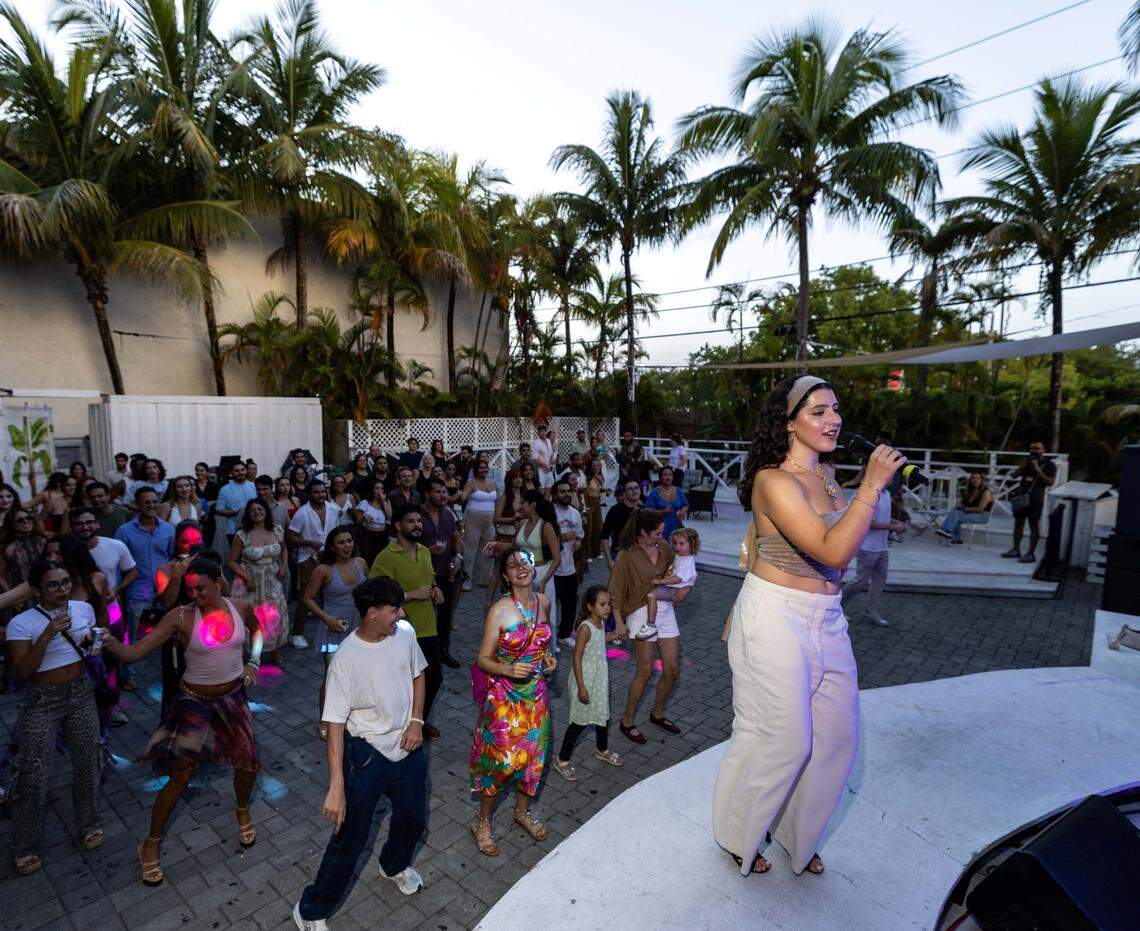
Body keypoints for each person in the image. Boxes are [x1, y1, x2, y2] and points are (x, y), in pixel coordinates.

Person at [713, 374, 906, 877]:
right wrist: (871, 485)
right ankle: (739, 834)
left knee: (838, 737)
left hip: (828, 618)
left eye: (835, 409)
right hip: (776, 614)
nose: (833, 419)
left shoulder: (827, 480)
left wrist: (861, 494)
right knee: (782, 738)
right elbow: (833, 550)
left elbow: (777, 540)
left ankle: (797, 836)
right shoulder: (773, 480)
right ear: (789, 422)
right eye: (817, 410)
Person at [101, 558, 262, 885]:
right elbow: (134, 654)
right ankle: (151, 843)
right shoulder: (181, 616)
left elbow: (258, 630)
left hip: (233, 697)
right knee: (180, 776)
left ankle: (242, 810)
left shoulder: (241, 606)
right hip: (194, 703)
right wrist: (108, 640)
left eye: (199, 588)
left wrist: (254, 662)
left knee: (247, 764)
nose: (193, 594)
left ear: (219, 582)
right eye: (189, 589)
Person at [293, 577, 428, 930]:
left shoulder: (405, 633)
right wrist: (337, 786)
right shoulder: (346, 660)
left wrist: (416, 721)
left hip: (409, 750)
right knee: (349, 838)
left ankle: (393, 865)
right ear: (371, 613)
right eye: (394, 609)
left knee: (413, 819)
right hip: (367, 756)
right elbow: (334, 726)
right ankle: (310, 910)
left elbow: (419, 675)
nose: (401, 613)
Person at [7, 561, 104, 875]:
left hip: (79, 693)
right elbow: (23, 671)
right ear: (37, 589)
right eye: (53, 585)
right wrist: (48, 634)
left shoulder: (83, 608)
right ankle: (25, 846)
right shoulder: (22, 623)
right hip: (42, 700)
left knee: (88, 761)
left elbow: (91, 649)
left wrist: (93, 645)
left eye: (65, 582)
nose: (61, 590)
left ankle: (88, 823)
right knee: (32, 773)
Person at [468, 547, 556, 856]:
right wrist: (508, 668)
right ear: (505, 575)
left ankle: (521, 813)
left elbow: (543, 642)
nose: (520, 568)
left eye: (524, 562)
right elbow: (482, 659)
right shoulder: (500, 610)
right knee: (500, 762)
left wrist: (548, 658)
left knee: (532, 758)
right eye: (512, 565)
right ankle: (482, 821)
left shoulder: (543, 601)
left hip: (536, 695)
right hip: (504, 698)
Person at [609, 510, 686, 741]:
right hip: (640, 612)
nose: (661, 537)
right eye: (658, 533)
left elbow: (682, 573)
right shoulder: (627, 554)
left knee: (672, 670)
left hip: (664, 609)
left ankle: (657, 714)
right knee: (645, 670)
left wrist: (685, 589)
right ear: (643, 532)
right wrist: (619, 622)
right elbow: (615, 590)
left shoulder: (664, 549)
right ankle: (627, 721)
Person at [369, 505, 444, 740]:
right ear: (398, 526)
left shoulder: (424, 551)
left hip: (427, 626)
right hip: (399, 630)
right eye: (410, 521)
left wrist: (436, 590)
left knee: (434, 678)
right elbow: (375, 595)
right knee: (405, 683)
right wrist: (410, 594)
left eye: (419, 521)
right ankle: (402, 725)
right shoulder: (386, 556)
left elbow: (429, 580)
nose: (417, 525)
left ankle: (418, 721)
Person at [552, 585, 627, 781]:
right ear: (590, 606)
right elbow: (576, 658)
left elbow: (600, 640)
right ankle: (562, 760)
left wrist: (615, 635)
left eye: (609, 604)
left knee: (603, 715)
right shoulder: (585, 627)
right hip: (584, 679)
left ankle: (602, 750)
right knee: (579, 721)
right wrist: (582, 687)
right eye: (602, 604)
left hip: (599, 679)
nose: (607, 608)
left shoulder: (600, 623)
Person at [302, 527, 367, 739]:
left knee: (358, 673)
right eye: (341, 542)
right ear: (332, 546)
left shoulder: (360, 564)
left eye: (349, 541)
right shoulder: (323, 570)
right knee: (332, 675)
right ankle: (324, 718)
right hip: (333, 628)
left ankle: (353, 715)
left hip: (358, 626)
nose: (347, 545)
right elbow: (308, 599)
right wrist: (326, 618)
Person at [114, 487, 175, 689]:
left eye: (154, 501)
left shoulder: (168, 529)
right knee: (133, 635)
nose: (151, 505)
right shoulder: (124, 531)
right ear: (138, 505)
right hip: (138, 591)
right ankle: (128, 675)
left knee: (170, 633)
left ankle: (172, 671)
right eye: (146, 502)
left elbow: (172, 557)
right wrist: (118, 592)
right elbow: (118, 564)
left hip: (164, 590)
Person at [229, 499, 289, 661]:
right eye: (253, 510)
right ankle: (253, 654)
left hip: (271, 579)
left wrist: (283, 566)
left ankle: (274, 649)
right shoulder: (241, 535)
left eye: (260, 509)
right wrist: (246, 577)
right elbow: (232, 561)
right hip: (249, 581)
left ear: (266, 512)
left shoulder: (277, 531)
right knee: (253, 617)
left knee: (274, 615)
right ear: (248, 514)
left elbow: (284, 550)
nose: (257, 512)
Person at [287, 479, 342, 650]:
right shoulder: (302, 513)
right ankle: (296, 634)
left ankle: (333, 626)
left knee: (332, 595)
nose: (320, 495)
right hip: (308, 558)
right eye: (316, 492)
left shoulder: (333, 509)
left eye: (322, 492)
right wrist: (308, 542)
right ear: (309, 494)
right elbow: (290, 536)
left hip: (329, 558)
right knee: (306, 598)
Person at [841, 486, 906, 627]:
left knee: (879, 580)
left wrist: (896, 522)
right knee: (859, 581)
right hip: (867, 547)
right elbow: (867, 522)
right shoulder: (867, 492)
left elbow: (884, 516)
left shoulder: (887, 493)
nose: (893, 478)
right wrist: (894, 528)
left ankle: (871, 612)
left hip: (882, 547)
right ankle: (837, 609)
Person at [421, 479, 463, 670]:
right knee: (426, 616)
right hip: (424, 575)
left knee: (445, 615)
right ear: (427, 493)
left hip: (446, 572)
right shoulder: (418, 515)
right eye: (438, 492)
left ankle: (444, 650)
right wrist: (427, 549)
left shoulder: (448, 513)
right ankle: (424, 655)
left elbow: (456, 539)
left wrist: (458, 558)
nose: (443, 496)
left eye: (444, 492)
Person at [515, 490, 562, 650]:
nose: (520, 506)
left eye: (523, 503)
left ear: (532, 504)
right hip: (523, 574)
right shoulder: (522, 524)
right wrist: (496, 545)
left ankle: (548, 659)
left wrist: (544, 580)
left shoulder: (546, 526)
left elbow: (556, 558)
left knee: (547, 619)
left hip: (542, 573)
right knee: (525, 617)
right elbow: (515, 548)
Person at [67, 507, 139, 607]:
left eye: (89, 522)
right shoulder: (63, 550)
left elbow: (133, 572)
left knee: (115, 623)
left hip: (110, 606)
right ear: (71, 527)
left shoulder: (116, 546)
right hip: (76, 609)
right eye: (79, 524)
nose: (85, 527)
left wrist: (116, 590)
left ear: (97, 524)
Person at [1002, 441, 1057, 564]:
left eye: (1037, 449)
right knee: (1018, 524)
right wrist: (1024, 464)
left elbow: (1050, 482)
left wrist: (1037, 469)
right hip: (1021, 497)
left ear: (1043, 450)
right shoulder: (1027, 462)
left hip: (1036, 499)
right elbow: (1014, 476)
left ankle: (1031, 553)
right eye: (1032, 448)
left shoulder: (1049, 465)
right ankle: (1015, 549)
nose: (1034, 451)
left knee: (1033, 525)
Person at [643, 527, 700, 641]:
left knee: (651, 595)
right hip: (669, 587)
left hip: (672, 589)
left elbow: (678, 579)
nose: (677, 547)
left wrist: (660, 581)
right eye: (675, 543)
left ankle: (650, 625)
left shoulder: (688, 561)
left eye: (681, 544)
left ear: (692, 544)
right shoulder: (680, 556)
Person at [552, 480, 584, 647]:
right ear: (555, 494)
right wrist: (563, 537)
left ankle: (564, 634)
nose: (566, 494)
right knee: (550, 605)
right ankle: (548, 637)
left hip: (569, 566)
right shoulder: (551, 513)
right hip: (552, 569)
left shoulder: (575, 513)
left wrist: (578, 541)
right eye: (562, 491)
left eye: (568, 491)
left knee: (570, 603)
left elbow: (580, 534)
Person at [937, 472, 995, 545]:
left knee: (955, 516)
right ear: (970, 480)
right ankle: (952, 535)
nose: (975, 480)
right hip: (970, 513)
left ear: (982, 480)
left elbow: (980, 509)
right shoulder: (969, 491)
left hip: (982, 516)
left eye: (978, 478)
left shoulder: (986, 492)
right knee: (954, 512)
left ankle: (947, 532)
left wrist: (965, 509)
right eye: (973, 478)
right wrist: (960, 506)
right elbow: (959, 503)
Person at [213, 462, 257, 549]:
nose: (240, 473)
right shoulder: (225, 490)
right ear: (231, 473)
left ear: (246, 471)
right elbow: (219, 510)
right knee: (236, 558)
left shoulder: (253, 486)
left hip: (254, 527)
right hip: (233, 530)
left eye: (242, 470)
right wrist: (235, 512)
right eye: (237, 471)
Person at [351, 475, 392, 567]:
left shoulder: (386, 503)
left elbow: (389, 516)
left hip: (382, 537)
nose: (379, 491)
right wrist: (364, 515)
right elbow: (358, 521)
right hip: (368, 536)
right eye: (377, 488)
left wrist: (383, 500)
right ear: (372, 490)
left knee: (382, 562)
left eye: (381, 489)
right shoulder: (365, 503)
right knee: (368, 561)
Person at [602, 479, 642, 570]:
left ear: (640, 491)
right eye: (630, 489)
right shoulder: (615, 510)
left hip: (639, 553)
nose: (634, 491)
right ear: (624, 494)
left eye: (636, 488)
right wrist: (609, 560)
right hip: (619, 554)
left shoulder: (643, 510)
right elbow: (604, 536)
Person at [645, 465, 689, 538]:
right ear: (660, 477)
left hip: (676, 527)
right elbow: (647, 511)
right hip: (659, 529)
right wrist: (663, 511)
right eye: (665, 475)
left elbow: (685, 505)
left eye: (670, 475)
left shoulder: (679, 490)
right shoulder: (654, 492)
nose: (668, 477)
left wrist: (683, 511)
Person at [583, 458, 606, 562]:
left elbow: (598, 489)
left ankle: (596, 552)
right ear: (590, 466)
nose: (596, 467)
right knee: (589, 529)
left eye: (598, 465)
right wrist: (586, 506)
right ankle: (587, 554)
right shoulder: (587, 477)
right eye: (594, 465)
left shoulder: (600, 476)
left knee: (598, 528)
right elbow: (585, 492)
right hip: (589, 503)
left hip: (597, 503)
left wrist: (605, 491)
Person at [532, 424, 556, 492]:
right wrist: (545, 465)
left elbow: (550, 454)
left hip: (548, 470)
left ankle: (546, 502)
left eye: (544, 431)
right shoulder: (536, 443)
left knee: (550, 488)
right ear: (538, 433)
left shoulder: (548, 441)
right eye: (541, 431)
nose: (543, 433)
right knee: (541, 490)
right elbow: (535, 458)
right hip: (540, 470)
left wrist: (553, 460)